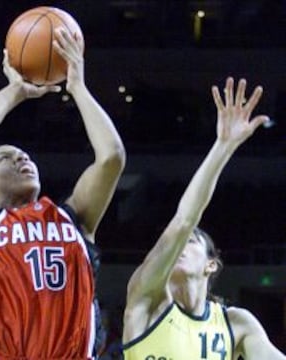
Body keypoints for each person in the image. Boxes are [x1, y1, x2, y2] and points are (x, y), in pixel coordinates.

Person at [0, 27, 126, 360]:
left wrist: (77, 87)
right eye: (7, 157)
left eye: (26, 156)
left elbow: (112, 156)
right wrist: (15, 91)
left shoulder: (73, 217)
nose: (22, 158)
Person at [122, 77, 286, 360]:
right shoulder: (146, 299)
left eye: (192, 242)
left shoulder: (236, 324)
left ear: (211, 264)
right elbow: (185, 219)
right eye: (179, 242)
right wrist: (223, 146)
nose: (180, 245)